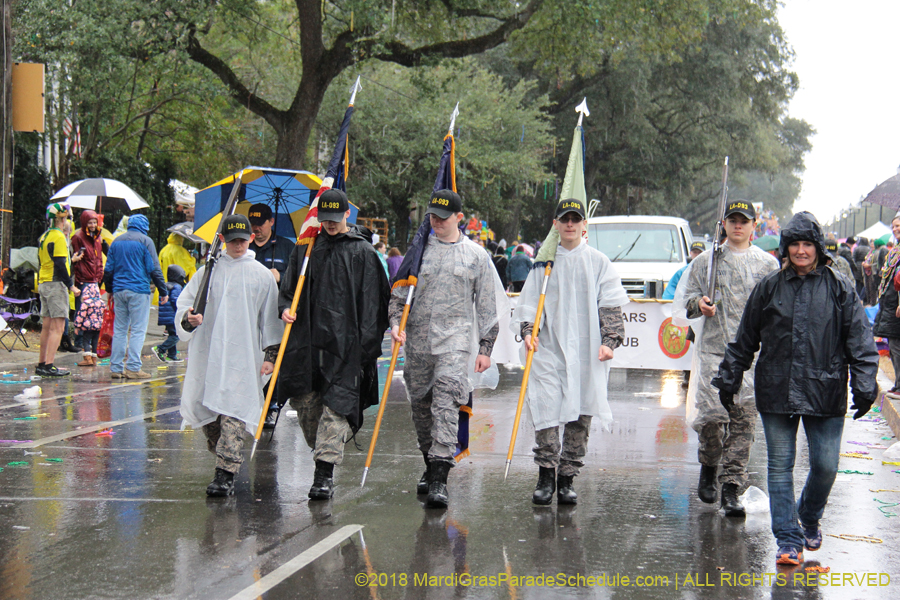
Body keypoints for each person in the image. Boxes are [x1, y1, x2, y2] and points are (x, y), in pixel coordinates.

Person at [713, 212, 878, 565]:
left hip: (827, 388)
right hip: (776, 389)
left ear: (818, 248)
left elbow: (860, 341)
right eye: (794, 244)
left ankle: (809, 514)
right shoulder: (770, 287)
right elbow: (745, 339)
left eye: (807, 244)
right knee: (780, 466)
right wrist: (730, 375)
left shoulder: (839, 287)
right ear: (786, 248)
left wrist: (865, 383)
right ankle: (788, 538)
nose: (801, 251)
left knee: (826, 466)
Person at [512, 198, 628, 505]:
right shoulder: (543, 264)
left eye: (576, 219)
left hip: (588, 352)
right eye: (565, 219)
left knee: (580, 414)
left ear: (584, 224)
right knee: (546, 409)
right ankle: (545, 475)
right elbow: (528, 307)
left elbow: (611, 306)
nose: (570, 224)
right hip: (549, 349)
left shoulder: (599, 262)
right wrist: (528, 333)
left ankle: (567, 478)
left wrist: (610, 341)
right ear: (555, 224)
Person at [390, 189, 501, 509]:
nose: (436, 222)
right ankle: (430, 461)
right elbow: (398, 298)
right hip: (418, 344)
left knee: (446, 404)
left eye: (443, 217)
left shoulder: (476, 256)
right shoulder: (417, 253)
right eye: (432, 216)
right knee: (422, 410)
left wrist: (485, 348)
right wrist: (396, 324)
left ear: (459, 218)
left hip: (455, 344)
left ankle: (440, 476)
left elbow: (487, 307)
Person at [278, 189, 389, 500]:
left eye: (334, 219)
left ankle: (323, 474)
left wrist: (366, 345)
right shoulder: (306, 249)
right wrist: (285, 307)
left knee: (336, 408)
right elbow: (288, 290)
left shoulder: (362, 253)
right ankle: (323, 452)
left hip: (346, 346)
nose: (328, 224)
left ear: (346, 216)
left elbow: (374, 302)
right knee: (306, 405)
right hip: (307, 343)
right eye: (323, 219)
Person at [679, 200, 778, 516]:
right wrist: (700, 305)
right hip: (713, 352)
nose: (738, 225)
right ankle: (709, 464)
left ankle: (732, 488)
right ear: (724, 223)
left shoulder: (767, 266)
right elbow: (687, 300)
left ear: (753, 225)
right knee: (712, 420)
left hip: (750, 356)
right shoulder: (706, 262)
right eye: (733, 220)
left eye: (744, 221)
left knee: (743, 424)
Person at [176, 214, 284, 497]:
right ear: (222, 239)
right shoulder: (206, 274)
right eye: (233, 239)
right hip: (209, 358)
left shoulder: (261, 275)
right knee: (211, 420)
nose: (238, 244)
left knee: (234, 414)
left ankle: (225, 474)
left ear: (250, 238)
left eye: (243, 239)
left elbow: (271, 323)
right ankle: (224, 458)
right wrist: (189, 319)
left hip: (243, 360)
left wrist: (270, 356)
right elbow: (185, 308)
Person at [103, 214, 168, 380]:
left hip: (119, 290)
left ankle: (116, 368)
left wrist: (109, 289)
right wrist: (163, 291)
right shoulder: (146, 241)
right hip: (139, 290)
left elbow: (108, 269)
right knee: (138, 330)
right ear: (144, 227)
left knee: (120, 329)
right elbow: (154, 268)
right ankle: (133, 367)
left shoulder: (116, 241)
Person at [36, 203, 81, 377]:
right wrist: (71, 285)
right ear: (62, 219)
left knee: (46, 327)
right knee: (58, 327)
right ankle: (49, 365)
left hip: (44, 282)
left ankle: (41, 363)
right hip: (56, 285)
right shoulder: (59, 237)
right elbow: (61, 264)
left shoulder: (44, 236)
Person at [70, 209, 108, 353]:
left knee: (94, 310)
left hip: (95, 278)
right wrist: (79, 278)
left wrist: (99, 276)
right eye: (90, 222)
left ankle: (91, 341)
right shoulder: (78, 237)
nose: (92, 225)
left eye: (94, 222)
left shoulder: (98, 237)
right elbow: (77, 259)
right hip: (84, 279)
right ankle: (79, 340)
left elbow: (98, 258)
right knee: (82, 310)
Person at [874, 215, 900, 397]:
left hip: (896, 306)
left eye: (899, 225)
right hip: (891, 305)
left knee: (897, 347)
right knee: (894, 346)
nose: (896, 229)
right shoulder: (895, 250)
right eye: (894, 226)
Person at [248, 203, 295, 284]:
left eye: (260, 224)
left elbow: (298, 280)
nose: (256, 228)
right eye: (253, 224)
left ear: (271, 221)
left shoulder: (287, 247)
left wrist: (281, 277)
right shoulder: (243, 246)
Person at [153, 265, 187, 363]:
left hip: (166, 316)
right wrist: (181, 311)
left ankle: (171, 355)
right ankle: (160, 349)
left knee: (172, 334)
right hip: (172, 316)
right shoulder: (176, 287)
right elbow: (175, 300)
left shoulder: (165, 285)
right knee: (177, 335)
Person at [74, 280, 104, 367]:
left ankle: (87, 358)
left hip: (88, 326)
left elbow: (81, 315)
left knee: (86, 341)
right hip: (99, 326)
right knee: (95, 342)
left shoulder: (86, 303)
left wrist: (77, 326)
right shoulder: (101, 303)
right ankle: (94, 359)